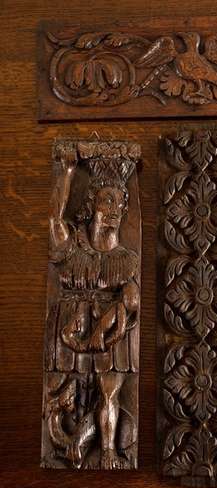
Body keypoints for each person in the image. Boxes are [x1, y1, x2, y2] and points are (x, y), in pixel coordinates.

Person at [48, 143, 138, 469]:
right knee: (69, 394)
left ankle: (109, 451)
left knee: (110, 393)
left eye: (119, 203)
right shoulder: (72, 247)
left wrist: (107, 324)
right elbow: (55, 219)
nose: (114, 209)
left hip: (110, 330)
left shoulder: (127, 260)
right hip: (69, 329)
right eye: (106, 200)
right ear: (91, 204)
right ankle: (69, 442)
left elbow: (130, 300)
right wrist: (67, 171)